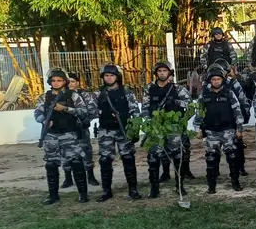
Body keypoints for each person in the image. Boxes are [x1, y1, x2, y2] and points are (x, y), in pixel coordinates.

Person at [35, 68, 90, 204]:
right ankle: (53, 195)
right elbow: (37, 113)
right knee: (51, 165)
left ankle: (83, 194)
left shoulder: (73, 95)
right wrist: (44, 120)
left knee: (76, 163)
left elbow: (83, 112)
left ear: (64, 81)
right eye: (53, 80)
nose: (56, 83)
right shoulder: (45, 97)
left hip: (69, 134)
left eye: (59, 80)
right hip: (51, 136)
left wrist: (66, 109)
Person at [141, 61, 192, 198]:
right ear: (156, 73)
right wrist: (148, 123)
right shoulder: (149, 88)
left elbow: (189, 105)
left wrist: (175, 103)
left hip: (173, 126)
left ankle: (179, 186)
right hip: (156, 126)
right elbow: (145, 107)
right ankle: (154, 188)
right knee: (153, 157)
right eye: (159, 71)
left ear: (169, 73)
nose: (162, 73)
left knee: (177, 156)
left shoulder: (177, 89)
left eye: (164, 71)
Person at [93, 64, 142, 201]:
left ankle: (133, 190)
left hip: (124, 130)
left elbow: (135, 112)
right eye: (106, 76)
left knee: (128, 159)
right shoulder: (98, 93)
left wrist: (135, 130)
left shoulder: (126, 92)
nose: (109, 78)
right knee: (105, 160)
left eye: (111, 75)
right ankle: (106, 191)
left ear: (117, 77)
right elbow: (91, 111)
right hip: (105, 131)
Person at [195, 67, 244, 193]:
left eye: (218, 79)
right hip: (211, 131)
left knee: (232, 157)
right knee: (211, 159)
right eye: (213, 79)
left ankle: (235, 183)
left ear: (222, 80)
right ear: (210, 81)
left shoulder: (229, 93)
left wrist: (239, 129)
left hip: (228, 130)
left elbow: (237, 111)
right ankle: (211, 186)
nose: (216, 81)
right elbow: (199, 113)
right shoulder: (204, 95)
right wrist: (198, 129)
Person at [214, 59, 252, 176]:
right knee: (214, 148)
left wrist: (245, 114)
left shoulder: (233, 83)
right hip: (215, 120)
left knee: (237, 145)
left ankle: (240, 167)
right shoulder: (210, 84)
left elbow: (242, 99)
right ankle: (214, 170)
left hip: (232, 119)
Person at [64, 72, 99, 187]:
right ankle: (68, 178)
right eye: (68, 81)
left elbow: (92, 111)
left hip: (81, 129)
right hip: (66, 130)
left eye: (73, 81)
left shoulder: (84, 95)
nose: (70, 84)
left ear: (78, 83)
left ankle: (90, 176)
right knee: (66, 154)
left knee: (86, 152)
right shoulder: (62, 94)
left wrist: (82, 120)